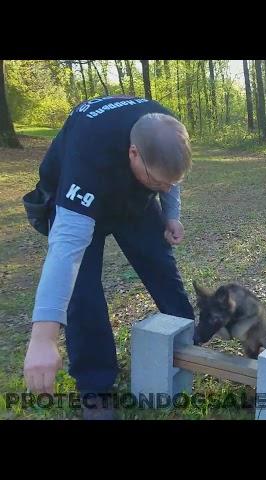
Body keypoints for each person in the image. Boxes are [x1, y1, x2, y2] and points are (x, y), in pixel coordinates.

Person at [22, 95, 195, 420]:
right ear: (133, 153)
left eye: (168, 182)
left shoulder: (164, 128)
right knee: (83, 293)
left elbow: (168, 176)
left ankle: (185, 341)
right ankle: (95, 389)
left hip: (132, 201)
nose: (164, 187)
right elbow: (65, 250)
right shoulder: (90, 153)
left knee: (161, 265)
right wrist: (43, 337)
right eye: (157, 182)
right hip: (79, 197)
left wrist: (171, 214)